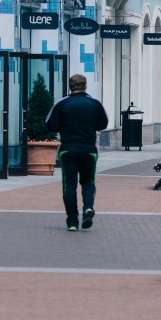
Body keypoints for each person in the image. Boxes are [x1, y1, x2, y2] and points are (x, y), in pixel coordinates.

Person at [45, 74, 109, 231]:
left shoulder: (62, 104)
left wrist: (63, 127)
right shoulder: (94, 103)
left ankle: (72, 221)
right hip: (89, 150)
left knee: (69, 185)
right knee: (88, 181)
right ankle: (88, 207)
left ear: (70, 86)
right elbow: (103, 123)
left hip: (68, 150)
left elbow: (49, 124)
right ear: (85, 86)